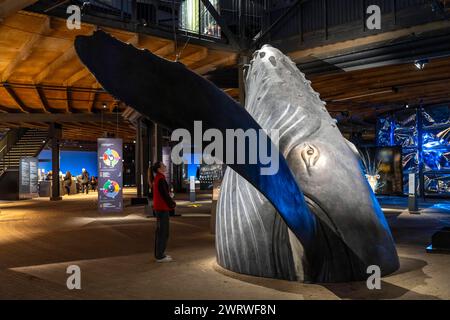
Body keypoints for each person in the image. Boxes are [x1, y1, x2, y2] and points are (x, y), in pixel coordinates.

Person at [151, 161, 176, 263]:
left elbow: (163, 193)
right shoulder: (160, 179)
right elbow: (164, 195)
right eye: (163, 165)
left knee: (160, 232)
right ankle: (160, 256)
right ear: (159, 169)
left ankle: (159, 254)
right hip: (162, 208)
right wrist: (172, 203)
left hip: (159, 208)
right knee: (163, 232)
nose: (165, 166)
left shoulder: (158, 178)